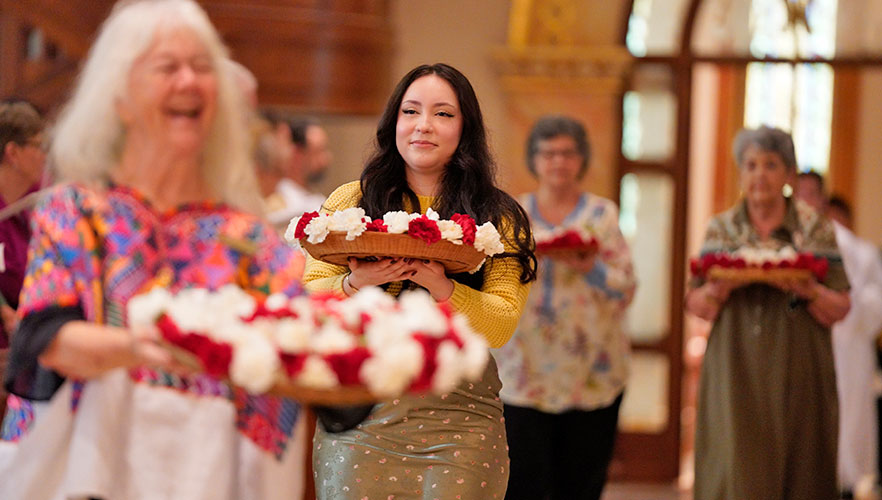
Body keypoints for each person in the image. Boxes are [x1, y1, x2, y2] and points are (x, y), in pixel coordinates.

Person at [0, 1, 307, 498]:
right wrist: (141, 347)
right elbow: (43, 341)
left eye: (202, 67)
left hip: (204, 475)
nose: (189, 81)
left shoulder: (246, 237)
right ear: (120, 98)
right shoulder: (76, 211)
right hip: (87, 474)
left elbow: (303, 341)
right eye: (167, 67)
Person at [302, 62, 537, 499]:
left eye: (443, 114)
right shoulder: (352, 200)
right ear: (393, 122)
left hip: (461, 421)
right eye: (410, 111)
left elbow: (501, 325)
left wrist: (441, 286)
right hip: (359, 416)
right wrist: (357, 283)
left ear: (465, 128)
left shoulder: (498, 215)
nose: (423, 125)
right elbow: (309, 301)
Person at [686, 126, 850, 500]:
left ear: (789, 174)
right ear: (740, 173)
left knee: (803, 465)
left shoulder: (815, 228)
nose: (760, 175)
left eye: (771, 165)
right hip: (734, 365)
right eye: (751, 165)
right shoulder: (722, 228)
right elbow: (696, 305)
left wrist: (808, 290)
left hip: (800, 365)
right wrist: (719, 289)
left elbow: (841, 306)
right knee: (735, 464)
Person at [492, 115, 637, 500]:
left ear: (582, 159)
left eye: (568, 153)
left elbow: (625, 288)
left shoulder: (601, 215)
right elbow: (494, 283)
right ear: (534, 159)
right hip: (524, 372)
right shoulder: (514, 215)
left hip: (592, 370)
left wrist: (590, 267)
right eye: (548, 153)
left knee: (582, 484)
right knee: (523, 484)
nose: (558, 161)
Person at [794, 177, 882, 497]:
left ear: (823, 200)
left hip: (848, 349)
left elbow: (874, 303)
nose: (805, 201)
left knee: (846, 423)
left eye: (811, 194)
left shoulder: (854, 249)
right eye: (799, 194)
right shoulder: (786, 242)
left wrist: (842, 306)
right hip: (801, 349)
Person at [0, 99, 46, 417]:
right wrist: (4, 312)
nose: (45, 155)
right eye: (38, 146)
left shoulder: (32, 206)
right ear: (13, 153)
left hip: (23, 346)